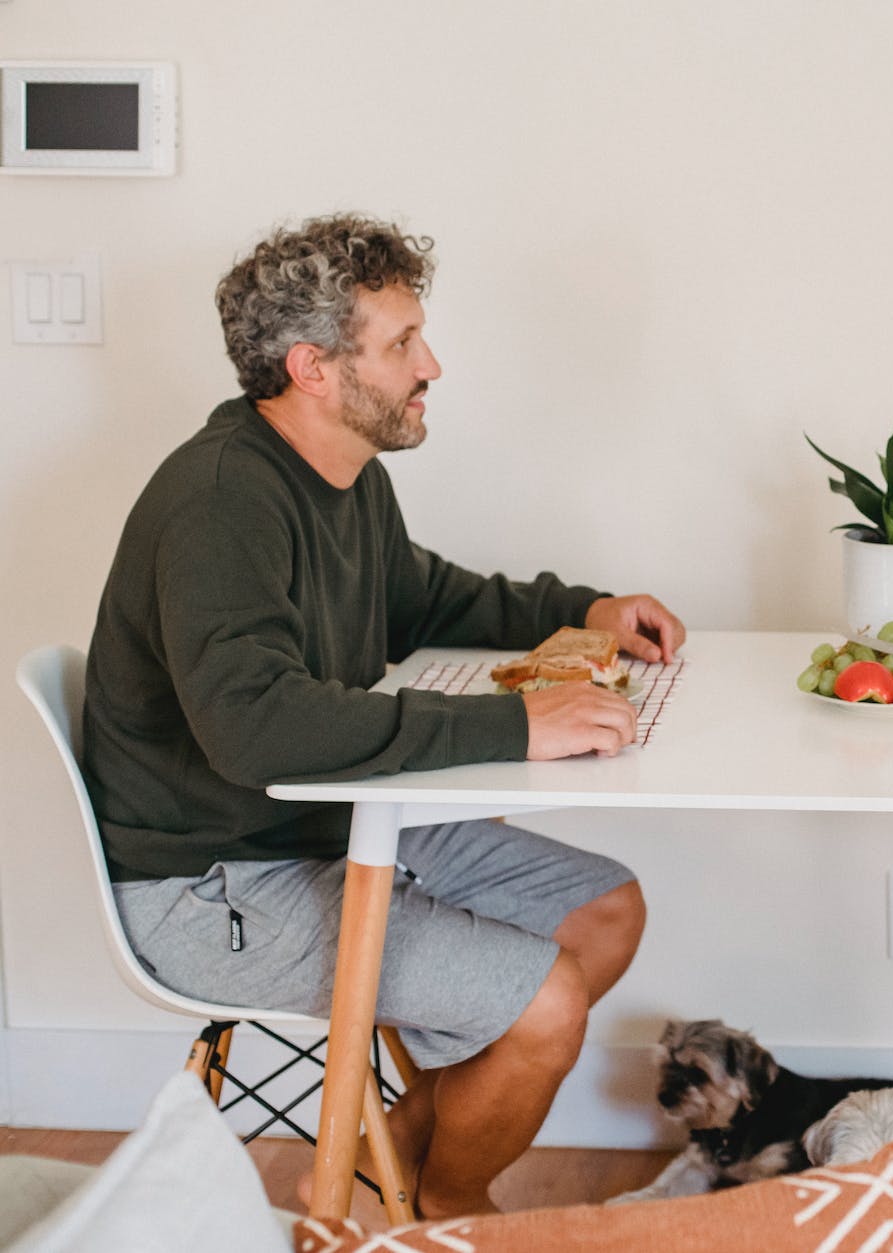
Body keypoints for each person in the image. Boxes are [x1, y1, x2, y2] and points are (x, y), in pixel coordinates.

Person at [81, 213, 684, 1219]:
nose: (431, 363)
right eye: (401, 342)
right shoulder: (220, 502)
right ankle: (445, 1206)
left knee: (604, 910)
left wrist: (582, 611)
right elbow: (258, 727)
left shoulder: (344, 478)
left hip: (319, 822)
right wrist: (515, 725)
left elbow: (418, 595)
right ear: (312, 367)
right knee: (547, 1001)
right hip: (211, 881)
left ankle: (401, 1148)